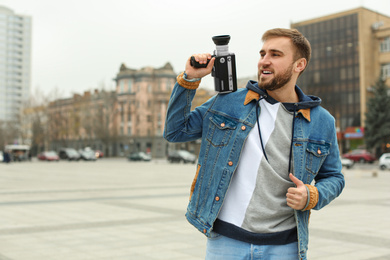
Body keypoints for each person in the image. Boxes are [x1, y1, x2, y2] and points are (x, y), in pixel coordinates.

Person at [163, 28, 345, 260]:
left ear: (299, 65)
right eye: (262, 54)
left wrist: (314, 195)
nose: (264, 61)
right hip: (226, 242)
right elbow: (175, 131)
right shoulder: (228, 102)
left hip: (284, 246)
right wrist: (190, 79)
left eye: (275, 55)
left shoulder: (321, 121)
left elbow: (334, 177)